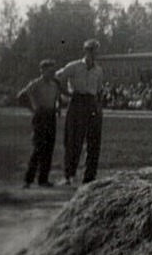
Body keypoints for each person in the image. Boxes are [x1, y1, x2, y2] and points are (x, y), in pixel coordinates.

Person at [56, 39, 105, 186]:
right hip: (77, 101)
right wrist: (67, 93)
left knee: (94, 140)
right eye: (92, 50)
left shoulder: (98, 70)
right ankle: (69, 175)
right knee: (74, 140)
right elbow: (59, 77)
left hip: (92, 102)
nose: (95, 54)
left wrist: (98, 105)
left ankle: (90, 176)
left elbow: (99, 89)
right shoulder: (75, 66)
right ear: (86, 51)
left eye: (96, 51)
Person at [17, 59, 63, 188]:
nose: (52, 74)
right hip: (40, 116)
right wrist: (33, 109)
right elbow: (21, 96)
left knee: (49, 148)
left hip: (50, 116)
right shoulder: (36, 84)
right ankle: (28, 180)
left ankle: (43, 179)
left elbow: (58, 98)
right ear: (42, 70)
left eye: (54, 71)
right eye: (50, 71)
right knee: (38, 149)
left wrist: (57, 107)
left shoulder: (55, 84)